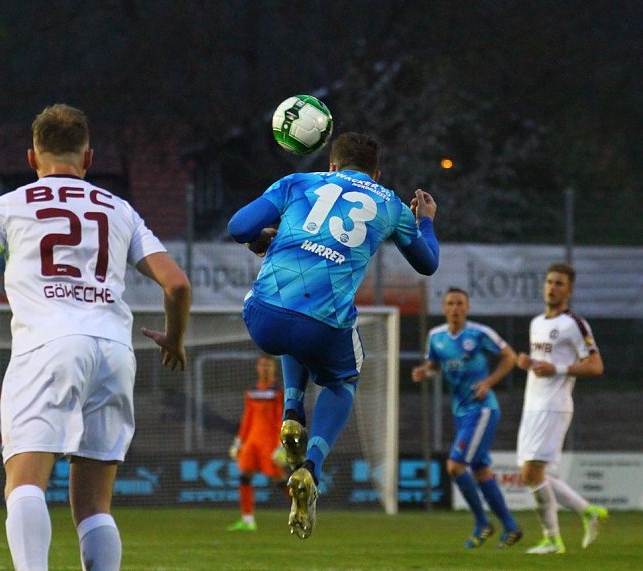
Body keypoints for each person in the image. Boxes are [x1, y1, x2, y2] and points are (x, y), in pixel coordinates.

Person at [0, 104, 191, 571]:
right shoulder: (120, 211)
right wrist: (174, 337)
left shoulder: (9, 208)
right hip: (113, 352)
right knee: (94, 506)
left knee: (25, 482)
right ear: (89, 159)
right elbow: (177, 285)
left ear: (31, 158)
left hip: (48, 346)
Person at [227, 132, 440, 539]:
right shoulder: (390, 203)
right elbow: (427, 264)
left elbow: (238, 227)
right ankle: (311, 467)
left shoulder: (297, 182)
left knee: (290, 327)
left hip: (263, 319)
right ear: (376, 174)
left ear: (332, 166)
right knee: (343, 381)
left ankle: (292, 413)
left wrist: (262, 239)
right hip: (323, 327)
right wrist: (425, 219)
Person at [412, 287, 522, 548]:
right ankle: (511, 527)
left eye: (460, 303)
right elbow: (435, 366)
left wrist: (489, 383)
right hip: (460, 411)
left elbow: (511, 357)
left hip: (482, 409)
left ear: (468, 307)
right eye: (450, 303)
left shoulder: (479, 333)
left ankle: (482, 522)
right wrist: (424, 372)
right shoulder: (436, 337)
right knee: (481, 471)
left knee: (455, 465)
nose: (455, 308)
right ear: (444, 308)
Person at [515, 262, 607, 555]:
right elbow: (544, 364)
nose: (552, 288)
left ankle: (552, 540)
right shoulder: (537, 323)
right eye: (549, 282)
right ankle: (588, 510)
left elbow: (595, 365)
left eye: (559, 284)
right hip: (532, 404)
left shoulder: (574, 324)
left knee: (532, 473)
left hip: (554, 406)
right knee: (531, 474)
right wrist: (529, 364)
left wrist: (557, 368)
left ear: (569, 289)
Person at [227, 353, 288, 531]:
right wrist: (239, 441)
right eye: (262, 365)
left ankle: (303, 510)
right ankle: (247, 520)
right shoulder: (252, 390)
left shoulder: (279, 391)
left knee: (279, 479)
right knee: (244, 474)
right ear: (257, 367)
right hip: (253, 440)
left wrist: (281, 444)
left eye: (268, 366)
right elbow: (248, 417)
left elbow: (282, 418)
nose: (265, 369)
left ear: (274, 368)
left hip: (270, 440)